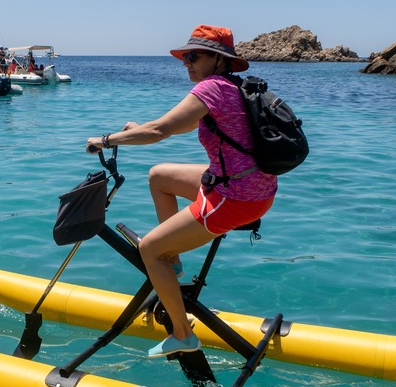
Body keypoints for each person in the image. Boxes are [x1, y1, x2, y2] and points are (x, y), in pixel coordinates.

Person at [86, 25, 277, 358]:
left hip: (236, 197)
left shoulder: (213, 87)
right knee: (159, 176)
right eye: (184, 56)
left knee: (148, 249)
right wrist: (135, 130)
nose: (185, 62)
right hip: (251, 185)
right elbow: (180, 125)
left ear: (217, 59)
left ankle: (182, 333)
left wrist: (105, 140)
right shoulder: (232, 85)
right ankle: (172, 260)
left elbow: (160, 131)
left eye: (192, 56)